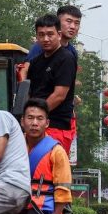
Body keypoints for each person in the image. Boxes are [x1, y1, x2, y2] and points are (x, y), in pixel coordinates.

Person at [6, 99, 71, 214]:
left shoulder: (56, 151)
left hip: (42, 211)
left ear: (47, 123)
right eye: (30, 118)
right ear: (22, 121)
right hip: (14, 206)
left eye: (40, 118)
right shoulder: (12, 147)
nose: (34, 123)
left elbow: (63, 192)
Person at [26, 14, 78, 154]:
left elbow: (59, 95)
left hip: (56, 126)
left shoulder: (66, 59)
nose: (46, 39)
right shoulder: (36, 62)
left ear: (59, 35)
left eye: (50, 34)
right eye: (41, 35)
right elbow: (30, 92)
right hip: (36, 126)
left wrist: (36, 116)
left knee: (49, 170)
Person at [20, 5, 82, 80]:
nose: (73, 26)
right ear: (58, 22)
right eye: (69, 21)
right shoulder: (42, 46)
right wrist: (23, 91)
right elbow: (24, 71)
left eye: (77, 23)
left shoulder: (73, 52)